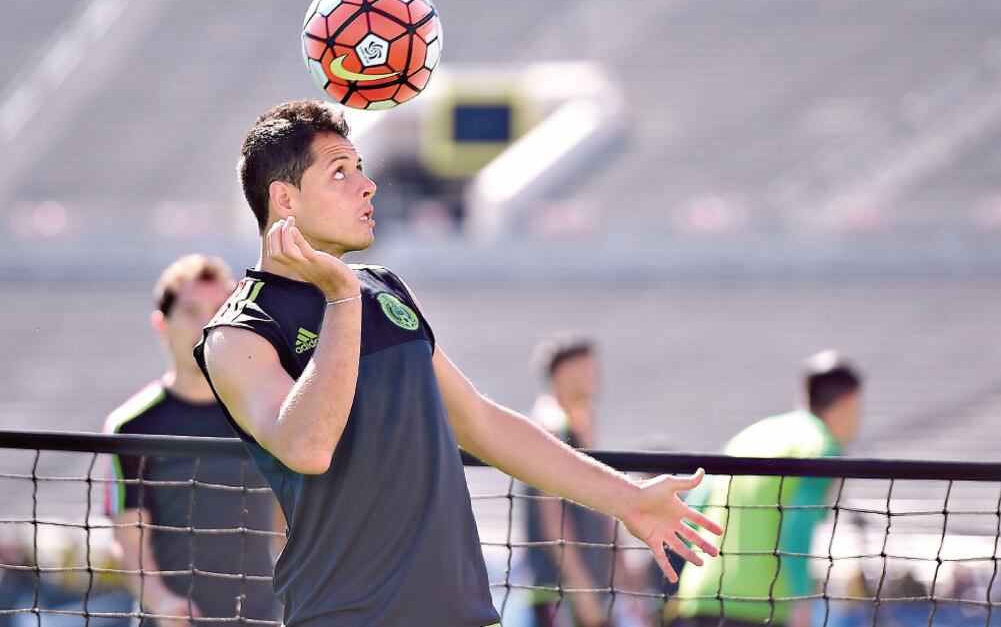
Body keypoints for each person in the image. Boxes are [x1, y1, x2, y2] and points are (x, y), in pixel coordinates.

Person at [193, 99, 723, 627]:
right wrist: (340, 299)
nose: (367, 185)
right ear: (284, 199)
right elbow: (307, 448)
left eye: (360, 168)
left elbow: (482, 422)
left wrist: (628, 500)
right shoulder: (238, 331)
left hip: (466, 614)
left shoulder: (384, 288)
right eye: (340, 173)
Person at [104, 255, 283, 625]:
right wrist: (164, 602)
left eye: (219, 308)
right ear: (161, 324)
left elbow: (287, 526)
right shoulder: (132, 425)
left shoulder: (265, 414)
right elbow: (128, 542)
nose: (206, 322)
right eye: (190, 310)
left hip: (264, 618)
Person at [674, 350, 864, 627]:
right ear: (850, 401)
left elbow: (693, 510)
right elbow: (798, 523)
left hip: (697, 599)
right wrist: (800, 604)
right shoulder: (823, 447)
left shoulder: (750, 435)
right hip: (759, 610)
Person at [524, 333, 638, 627]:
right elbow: (552, 519)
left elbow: (606, 505)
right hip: (561, 591)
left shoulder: (583, 422)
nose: (595, 377)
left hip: (594, 590)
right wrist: (580, 585)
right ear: (563, 372)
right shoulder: (549, 426)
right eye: (586, 369)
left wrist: (624, 580)